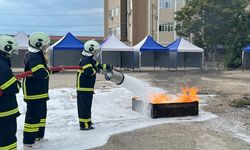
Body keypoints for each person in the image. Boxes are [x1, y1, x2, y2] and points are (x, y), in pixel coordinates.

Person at [22, 32, 62, 147]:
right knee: (33, 116)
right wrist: (47, 72)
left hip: (40, 91)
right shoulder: (33, 56)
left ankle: (38, 136)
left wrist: (56, 69)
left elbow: (44, 70)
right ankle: (29, 141)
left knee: (40, 115)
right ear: (38, 44)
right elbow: (40, 73)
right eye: (44, 45)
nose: (45, 47)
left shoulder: (37, 54)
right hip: (34, 92)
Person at [76, 40, 113, 130]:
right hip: (83, 88)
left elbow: (98, 65)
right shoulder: (85, 60)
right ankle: (84, 125)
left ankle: (88, 122)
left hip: (87, 88)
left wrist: (108, 66)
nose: (96, 52)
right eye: (95, 50)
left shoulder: (89, 59)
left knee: (87, 107)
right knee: (84, 108)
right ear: (91, 49)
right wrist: (95, 69)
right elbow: (89, 72)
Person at [0, 35, 21, 150]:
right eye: (11, 50)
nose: (11, 54)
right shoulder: (2, 66)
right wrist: (17, 83)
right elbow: (12, 88)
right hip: (5, 111)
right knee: (7, 140)